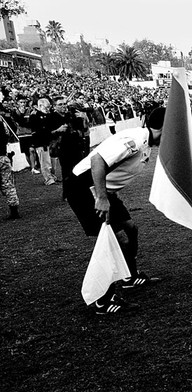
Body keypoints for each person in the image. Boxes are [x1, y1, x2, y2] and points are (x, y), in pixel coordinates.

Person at [65, 107, 166, 314]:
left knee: (130, 229)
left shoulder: (145, 142)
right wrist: (102, 198)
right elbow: (97, 160)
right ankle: (103, 300)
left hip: (102, 189)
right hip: (84, 188)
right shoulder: (135, 139)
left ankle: (129, 277)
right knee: (114, 239)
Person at [28, 98, 61, 186]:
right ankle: (48, 179)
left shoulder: (49, 115)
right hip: (41, 142)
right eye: (46, 107)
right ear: (40, 106)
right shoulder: (35, 116)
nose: (48, 109)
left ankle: (53, 176)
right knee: (45, 162)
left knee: (53, 162)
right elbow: (38, 130)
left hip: (51, 141)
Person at [1, 105, 20, 219]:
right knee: (8, 184)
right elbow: (7, 135)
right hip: (3, 157)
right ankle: (14, 210)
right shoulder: (2, 123)